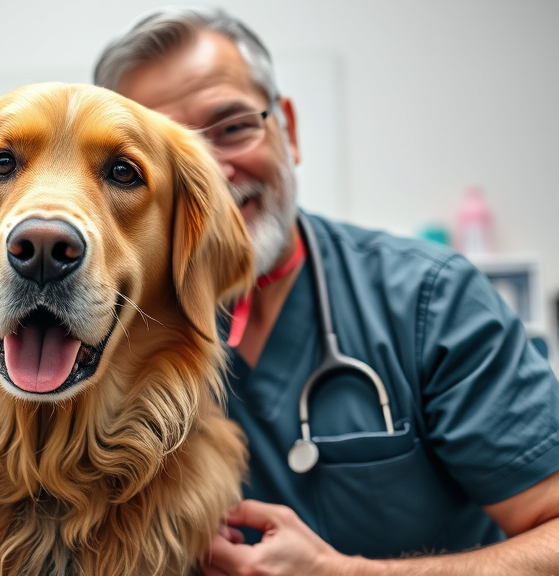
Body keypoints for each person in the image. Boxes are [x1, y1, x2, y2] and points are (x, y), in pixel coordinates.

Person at [94, 8, 559, 576]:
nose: (211, 174)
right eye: (170, 153)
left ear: (287, 127)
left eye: (234, 127)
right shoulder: (104, 329)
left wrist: (345, 574)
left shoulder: (429, 301)